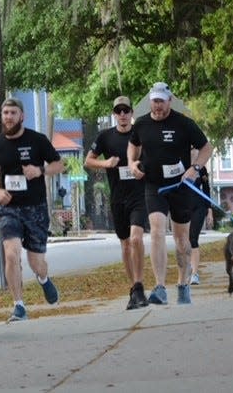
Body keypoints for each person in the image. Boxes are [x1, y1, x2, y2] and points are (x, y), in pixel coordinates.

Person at [127, 82, 213, 305]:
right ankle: (160, 287)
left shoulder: (184, 124)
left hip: (180, 187)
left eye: (161, 102)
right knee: (156, 230)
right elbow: (133, 146)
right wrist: (132, 164)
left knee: (182, 239)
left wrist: (195, 169)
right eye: (154, 101)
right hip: (154, 186)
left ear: (169, 101)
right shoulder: (142, 124)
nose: (157, 106)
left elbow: (206, 148)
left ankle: (183, 284)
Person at [0, 98, 65, 322]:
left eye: (13, 113)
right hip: (9, 208)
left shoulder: (37, 140)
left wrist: (39, 170)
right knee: (11, 254)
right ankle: (19, 306)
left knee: (36, 262)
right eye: (5, 113)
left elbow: (59, 165)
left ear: (22, 116)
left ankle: (43, 279)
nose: (8, 117)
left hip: (36, 208)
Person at [84, 96, 149, 310]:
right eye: (118, 111)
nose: (122, 115)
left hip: (139, 196)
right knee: (125, 244)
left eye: (126, 110)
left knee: (137, 238)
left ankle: (139, 285)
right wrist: (106, 163)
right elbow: (88, 160)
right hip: (118, 198)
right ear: (114, 114)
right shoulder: (105, 137)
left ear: (132, 113)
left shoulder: (140, 134)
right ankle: (134, 288)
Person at [188, 149, 213, 285]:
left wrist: (209, 211)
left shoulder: (202, 169)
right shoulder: (180, 166)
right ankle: (186, 269)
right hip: (183, 207)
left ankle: (194, 274)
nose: (195, 153)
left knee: (193, 239)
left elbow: (207, 189)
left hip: (199, 207)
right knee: (183, 240)